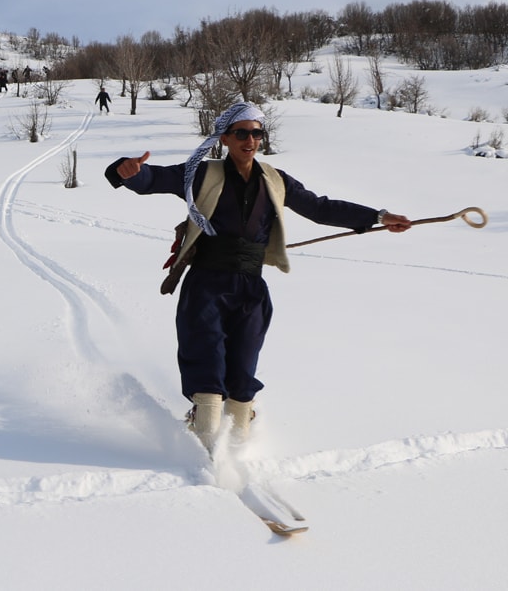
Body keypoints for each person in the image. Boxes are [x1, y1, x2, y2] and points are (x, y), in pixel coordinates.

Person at [104, 102, 412, 453]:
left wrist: (379, 216)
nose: (249, 140)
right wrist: (127, 171)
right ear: (225, 138)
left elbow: (320, 208)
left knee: (243, 363)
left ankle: (239, 446)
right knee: (205, 356)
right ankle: (205, 443)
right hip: (206, 282)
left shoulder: (276, 180)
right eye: (241, 133)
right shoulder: (201, 173)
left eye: (255, 133)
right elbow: (151, 180)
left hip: (251, 288)